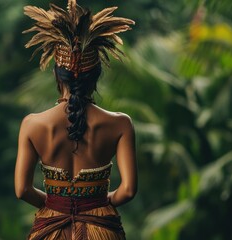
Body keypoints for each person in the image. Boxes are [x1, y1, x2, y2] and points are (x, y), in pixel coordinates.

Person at [14, 0, 137, 239]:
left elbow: (22, 190)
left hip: (50, 230)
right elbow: (129, 190)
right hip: (102, 230)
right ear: (97, 75)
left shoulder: (31, 125)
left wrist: (54, 204)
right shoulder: (121, 124)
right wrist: (100, 202)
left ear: (56, 76)